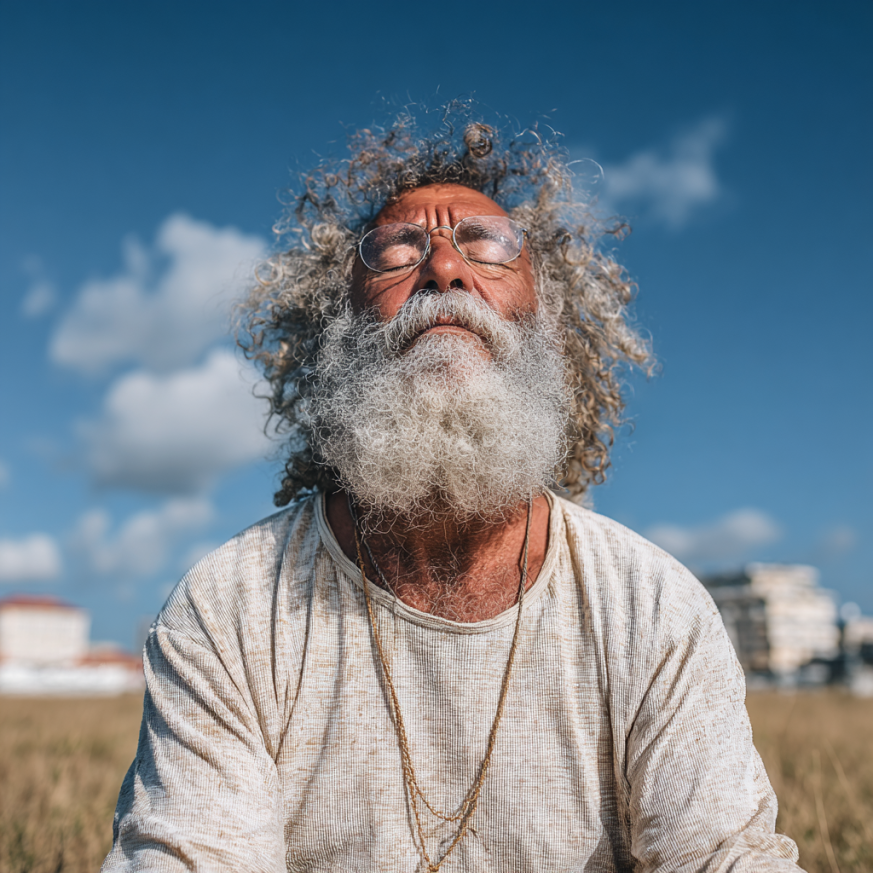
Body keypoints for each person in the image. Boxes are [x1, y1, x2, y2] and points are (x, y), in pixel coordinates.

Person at [103, 113, 804, 872]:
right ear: (337, 330)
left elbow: (723, 857)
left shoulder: (651, 605)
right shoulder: (230, 605)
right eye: (399, 250)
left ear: (549, 326)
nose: (443, 269)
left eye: (485, 247)